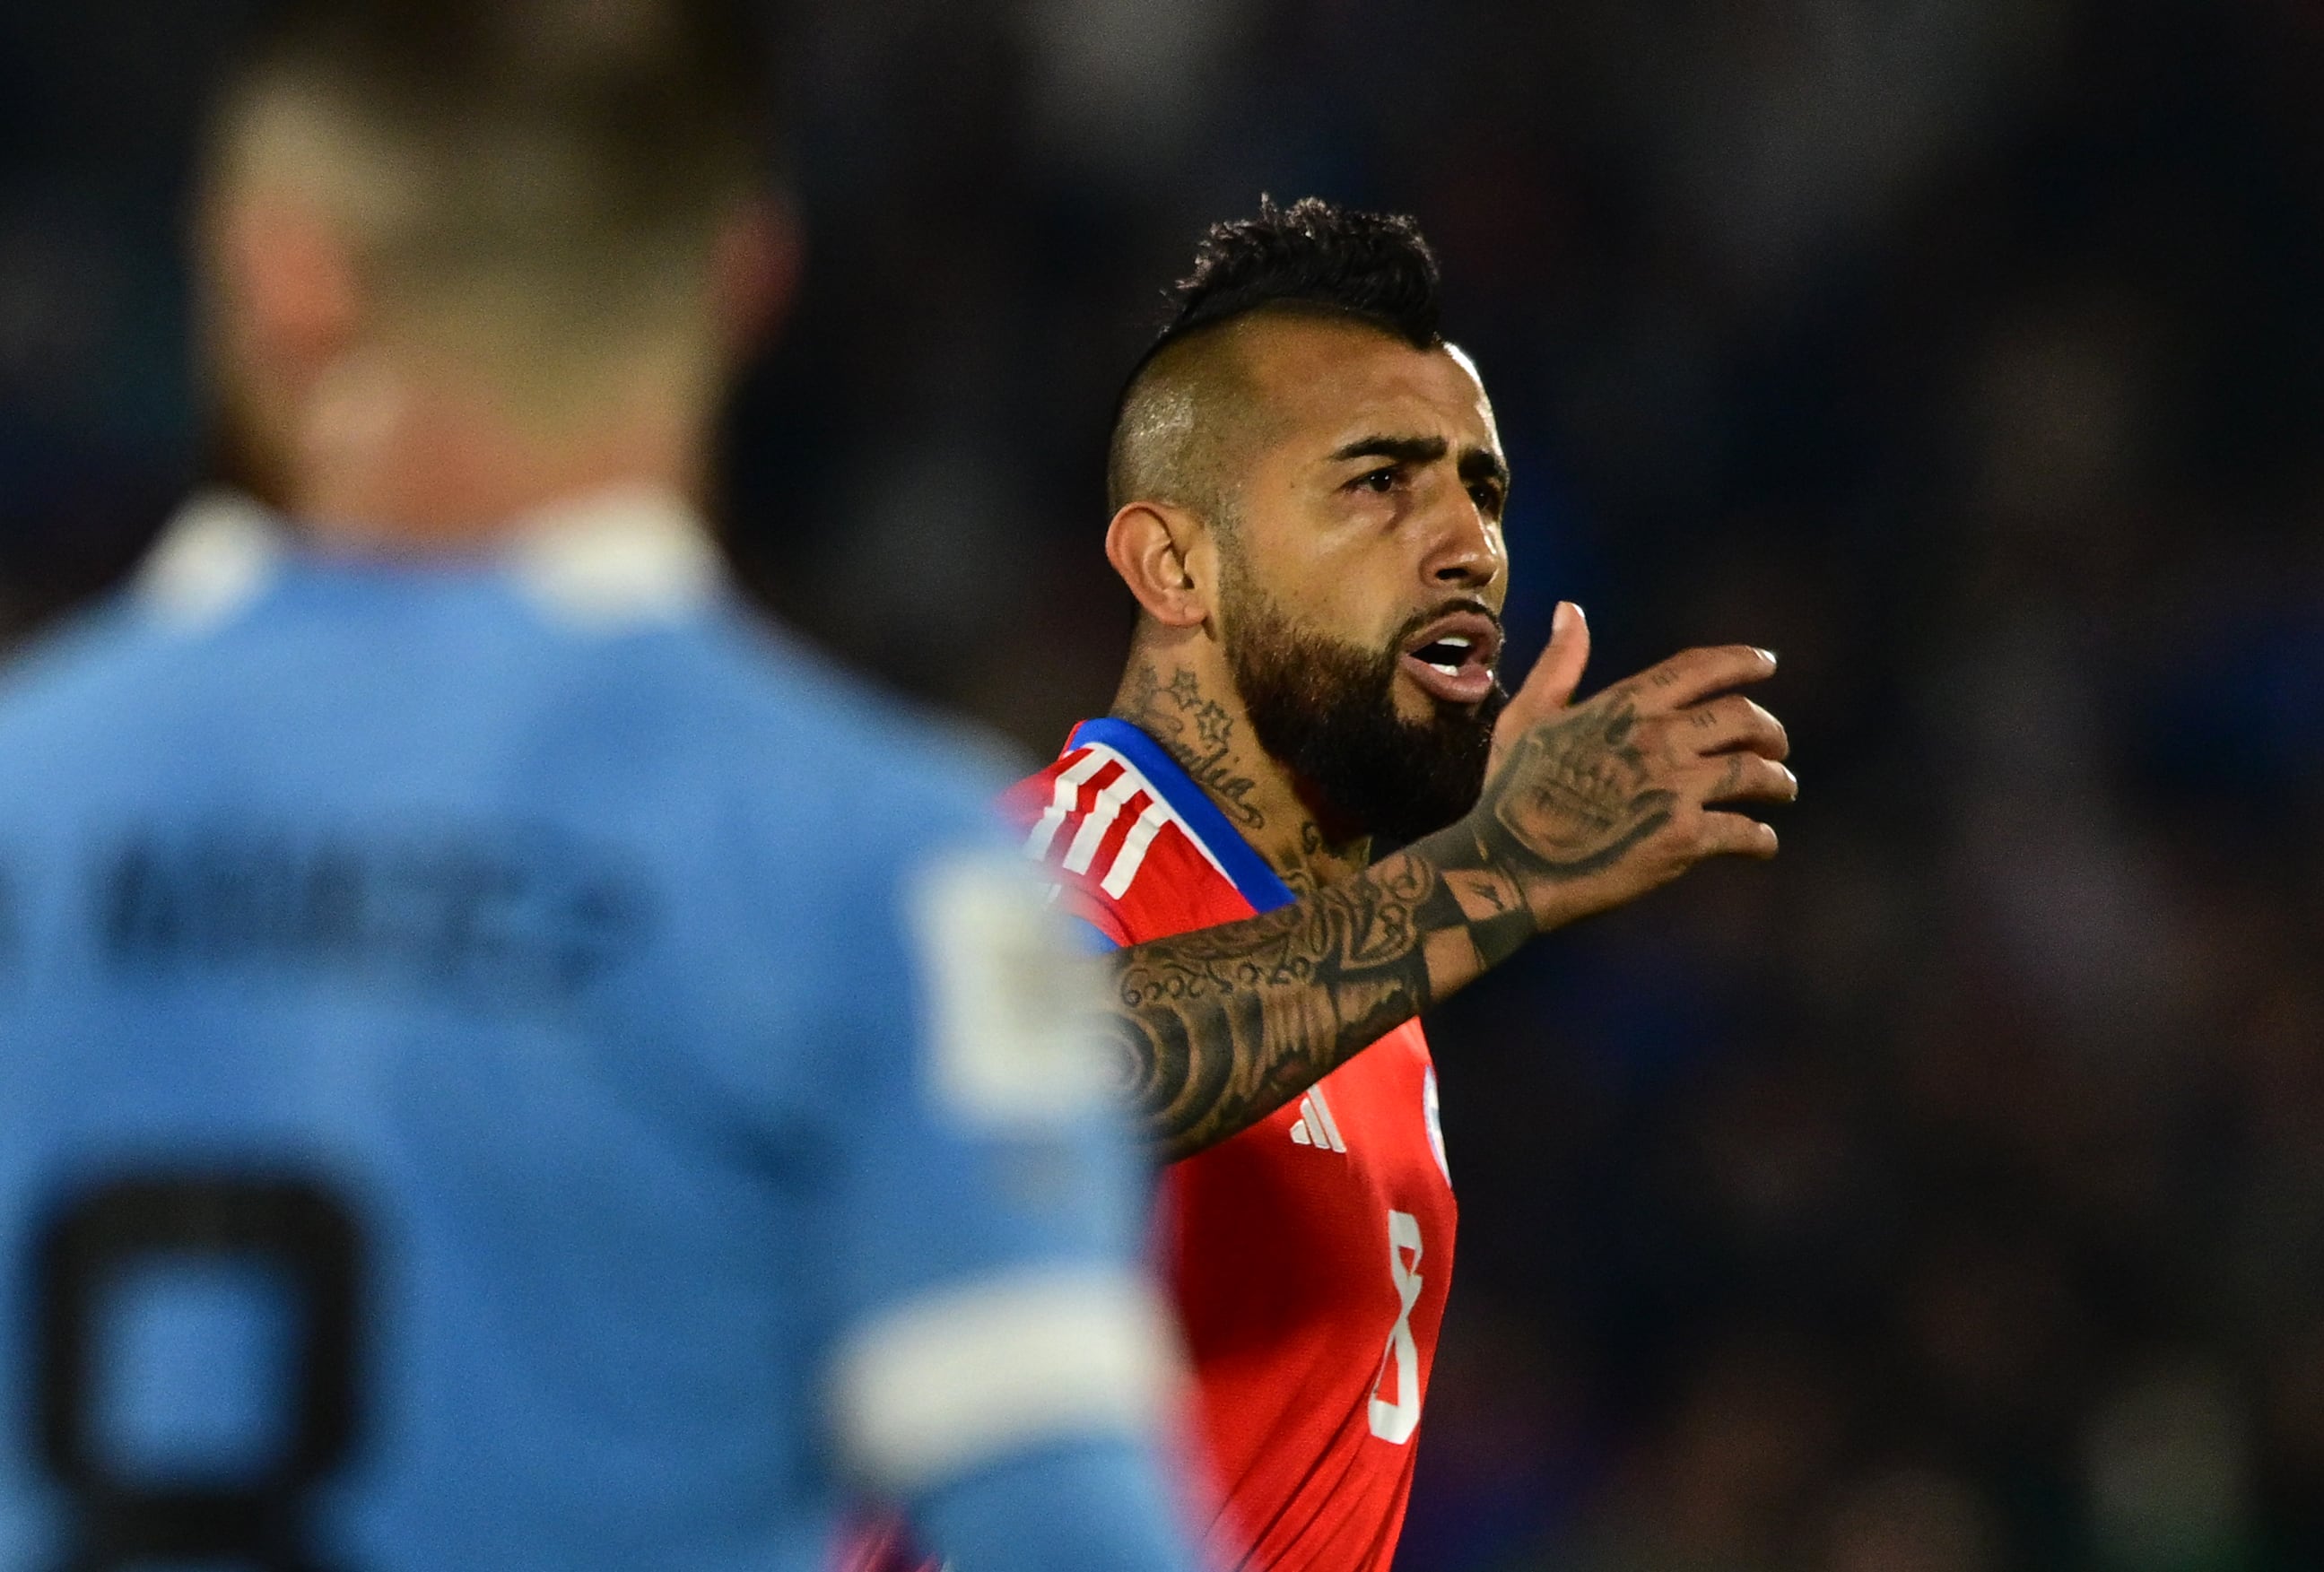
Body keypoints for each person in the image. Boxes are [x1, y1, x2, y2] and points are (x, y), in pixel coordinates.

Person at [0, 4, 1197, 1568]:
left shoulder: (29, 795)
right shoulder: (896, 878)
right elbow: (1068, 1531)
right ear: (748, 276)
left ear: (276, 269)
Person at [850, 200, 1797, 1571]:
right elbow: (1021, 1078)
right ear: (1175, 564)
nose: (1468, 542)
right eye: (1379, 482)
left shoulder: (1369, 1001)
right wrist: (1491, 874)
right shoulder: (1055, 863)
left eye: (1484, 489)